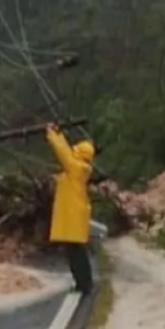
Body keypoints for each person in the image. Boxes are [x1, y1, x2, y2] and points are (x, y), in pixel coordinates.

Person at [45, 122, 96, 295]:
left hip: (72, 215)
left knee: (75, 253)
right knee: (75, 252)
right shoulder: (80, 169)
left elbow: (63, 153)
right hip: (74, 214)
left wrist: (52, 134)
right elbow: (67, 154)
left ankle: (84, 285)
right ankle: (84, 283)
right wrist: (59, 134)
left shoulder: (76, 167)